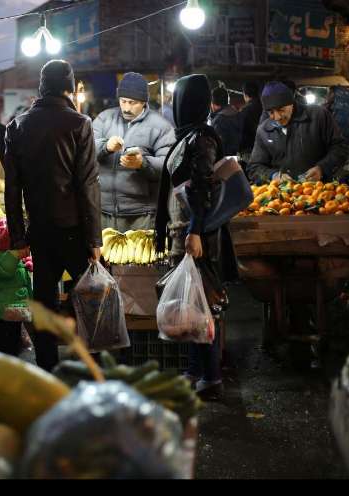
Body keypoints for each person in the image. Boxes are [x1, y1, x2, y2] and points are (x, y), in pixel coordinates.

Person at [5, 59, 102, 371]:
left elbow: (12, 189)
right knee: (87, 298)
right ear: (69, 87)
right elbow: (87, 185)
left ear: (41, 87)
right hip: (74, 228)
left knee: (45, 302)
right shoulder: (79, 124)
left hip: (40, 230)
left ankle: (46, 366)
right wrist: (95, 238)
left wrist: (18, 236)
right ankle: (92, 363)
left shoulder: (18, 125)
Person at [155, 74, 239, 400]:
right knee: (190, 304)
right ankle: (195, 370)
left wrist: (194, 231)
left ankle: (212, 377)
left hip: (199, 234)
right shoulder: (187, 136)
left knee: (202, 305)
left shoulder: (202, 138)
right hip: (187, 231)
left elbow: (204, 186)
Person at [92, 72, 174, 231]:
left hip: (142, 215)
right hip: (104, 212)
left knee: (139, 257)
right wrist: (106, 147)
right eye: (123, 101)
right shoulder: (104, 119)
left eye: (133, 102)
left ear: (144, 102)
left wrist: (143, 163)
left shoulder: (161, 126)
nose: (127, 107)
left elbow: (169, 165)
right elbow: (86, 150)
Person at [248, 81, 349, 184]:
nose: (277, 117)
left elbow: (340, 148)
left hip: (320, 192)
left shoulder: (318, 116)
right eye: (271, 112)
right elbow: (254, 167)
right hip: (282, 196)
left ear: (291, 103)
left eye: (281, 110)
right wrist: (273, 176)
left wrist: (322, 168)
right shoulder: (264, 130)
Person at [0, 219, 33, 357]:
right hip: (11, 306)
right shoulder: (8, 255)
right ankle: (7, 360)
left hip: (2, 305)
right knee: (10, 340)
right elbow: (5, 271)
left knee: (3, 335)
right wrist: (15, 257)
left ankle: (3, 356)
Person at [208, 87, 241, 156]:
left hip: (224, 160)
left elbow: (217, 146)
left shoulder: (219, 120)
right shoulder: (238, 114)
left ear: (212, 103)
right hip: (238, 157)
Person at [238, 81, 262, 162]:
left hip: (249, 151)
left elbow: (240, 132)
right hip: (266, 149)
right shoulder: (266, 108)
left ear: (245, 94)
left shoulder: (244, 111)